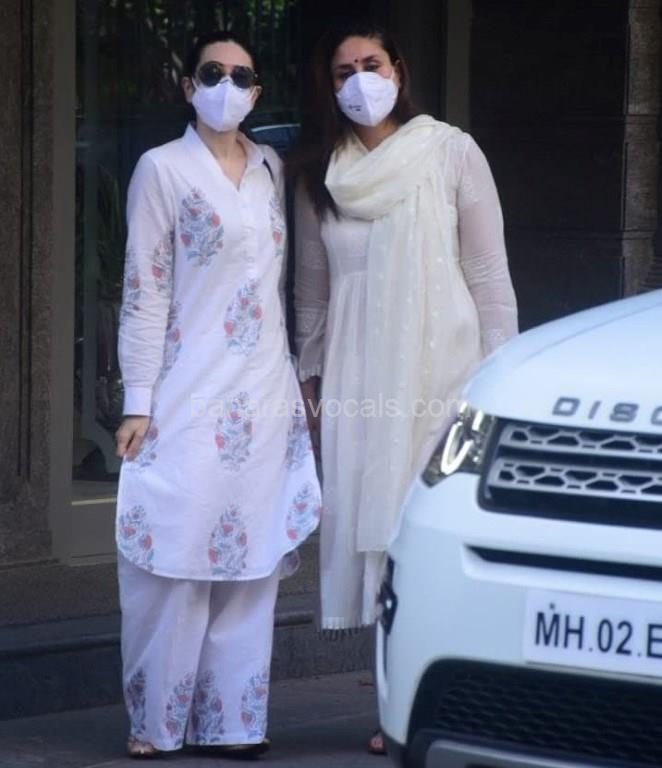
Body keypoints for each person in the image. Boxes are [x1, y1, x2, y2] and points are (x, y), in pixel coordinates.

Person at [289, 23, 518, 754]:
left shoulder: (451, 152)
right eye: (344, 71)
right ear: (328, 87)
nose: (360, 79)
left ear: (400, 71)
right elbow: (313, 294)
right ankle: (395, 705)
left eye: (372, 63)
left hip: (445, 371)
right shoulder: (320, 173)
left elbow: (489, 276)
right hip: (361, 379)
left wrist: (502, 379)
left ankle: (456, 697)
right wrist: (309, 380)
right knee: (382, 537)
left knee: (431, 532)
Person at [114, 31, 321, 758]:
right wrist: (138, 399)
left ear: (257, 93)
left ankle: (234, 723)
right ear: (188, 85)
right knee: (174, 558)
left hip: (263, 391)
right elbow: (144, 288)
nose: (225, 86)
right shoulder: (160, 169)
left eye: (241, 76)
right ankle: (156, 723)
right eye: (212, 72)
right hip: (187, 390)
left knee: (250, 561)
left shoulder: (270, 167)